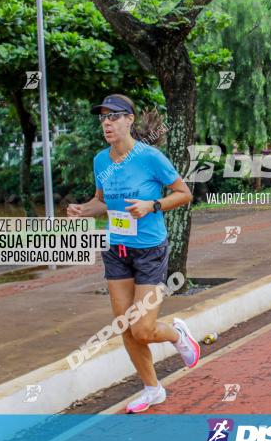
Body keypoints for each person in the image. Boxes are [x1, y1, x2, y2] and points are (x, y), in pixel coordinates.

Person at [67, 94, 200, 414]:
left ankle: (178, 334)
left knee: (142, 329)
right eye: (103, 118)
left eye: (113, 117)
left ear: (129, 120)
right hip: (117, 250)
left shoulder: (150, 157)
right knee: (124, 325)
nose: (107, 123)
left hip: (150, 251)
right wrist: (85, 210)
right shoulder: (101, 160)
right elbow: (102, 201)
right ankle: (152, 389)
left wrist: (152, 205)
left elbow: (184, 194)